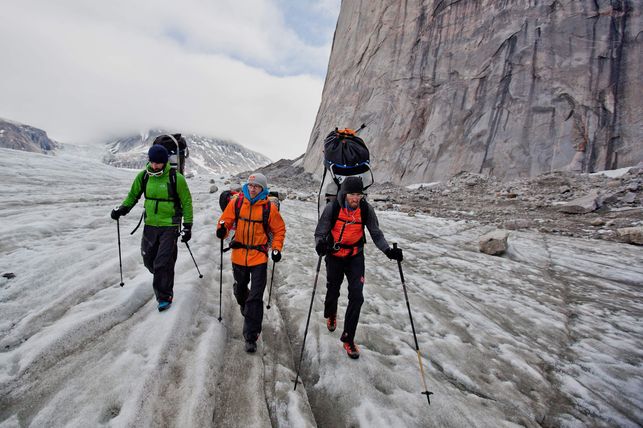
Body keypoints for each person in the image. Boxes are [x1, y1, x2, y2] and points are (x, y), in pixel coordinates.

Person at [314, 176, 403, 359]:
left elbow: (376, 233)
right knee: (333, 289)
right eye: (352, 194)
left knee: (357, 296)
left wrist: (388, 251)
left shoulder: (365, 209)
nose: (355, 198)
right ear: (344, 194)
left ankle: (348, 338)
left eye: (359, 194)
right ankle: (331, 312)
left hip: (355, 256)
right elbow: (320, 232)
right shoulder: (333, 208)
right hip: (334, 254)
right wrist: (320, 244)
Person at [110, 144, 193, 312]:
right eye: (152, 162)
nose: (155, 166)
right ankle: (164, 275)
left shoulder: (176, 178)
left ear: (164, 162)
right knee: (148, 260)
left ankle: (164, 296)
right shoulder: (144, 177)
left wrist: (188, 226)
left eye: (158, 163)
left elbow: (186, 202)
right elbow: (133, 195)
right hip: (150, 225)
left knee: (162, 263)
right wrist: (122, 209)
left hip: (169, 225)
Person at [216, 172, 286, 353]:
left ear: (263, 189)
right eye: (251, 186)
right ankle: (241, 298)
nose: (253, 189)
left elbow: (279, 229)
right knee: (241, 291)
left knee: (255, 298)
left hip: (259, 257)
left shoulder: (269, 208)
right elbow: (225, 220)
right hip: (239, 255)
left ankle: (251, 336)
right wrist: (221, 229)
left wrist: (276, 248)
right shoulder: (237, 202)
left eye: (257, 187)